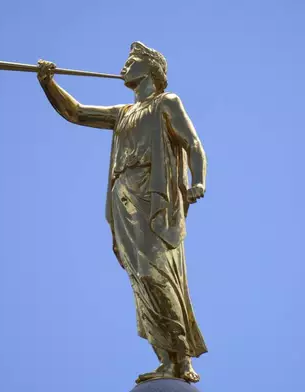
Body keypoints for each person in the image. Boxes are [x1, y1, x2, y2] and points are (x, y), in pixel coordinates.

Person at [37, 41, 208, 383]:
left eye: (132, 62)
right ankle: (166, 359)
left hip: (155, 196)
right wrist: (48, 83)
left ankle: (181, 354)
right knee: (139, 279)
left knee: (155, 273)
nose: (124, 67)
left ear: (151, 70)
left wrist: (198, 181)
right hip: (124, 197)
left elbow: (193, 144)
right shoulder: (122, 113)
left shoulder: (166, 103)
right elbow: (77, 112)